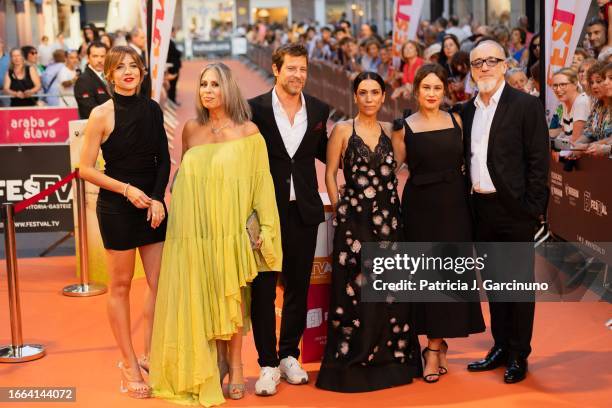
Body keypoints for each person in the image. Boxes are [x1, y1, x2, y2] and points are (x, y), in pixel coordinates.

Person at [149, 62, 282, 405]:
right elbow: (183, 178)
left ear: (228, 89)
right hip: (195, 229)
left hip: (231, 229)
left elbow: (260, 184)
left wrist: (264, 227)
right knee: (202, 297)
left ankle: (236, 367)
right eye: (204, 85)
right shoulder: (191, 129)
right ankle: (212, 364)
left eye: (215, 85)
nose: (208, 90)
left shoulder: (249, 131)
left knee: (231, 297)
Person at [316, 71, 421, 392]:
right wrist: (339, 209)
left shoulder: (394, 132)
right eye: (363, 92)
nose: (370, 98)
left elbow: (398, 169)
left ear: (384, 96)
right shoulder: (343, 131)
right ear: (355, 96)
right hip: (354, 222)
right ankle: (356, 353)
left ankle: (392, 355)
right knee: (356, 289)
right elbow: (331, 174)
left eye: (375, 92)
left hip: (389, 220)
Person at [78, 45, 170, 398]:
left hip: (153, 207)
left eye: (134, 66)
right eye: (121, 67)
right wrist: (127, 189)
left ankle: (148, 352)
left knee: (161, 284)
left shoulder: (152, 109)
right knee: (120, 287)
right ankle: (128, 362)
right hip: (117, 208)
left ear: (142, 72)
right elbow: (85, 169)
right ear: (111, 74)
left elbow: (163, 159)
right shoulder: (101, 114)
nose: (128, 71)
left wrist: (158, 198)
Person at [462, 40, 549, 384]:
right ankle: (499, 345)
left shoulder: (526, 106)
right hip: (480, 208)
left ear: (504, 64)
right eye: (477, 63)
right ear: (470, 70)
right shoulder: (466, 110)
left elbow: (539, 163)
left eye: (490, 61)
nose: (483, 67)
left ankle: (518, 353)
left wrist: (532, 210)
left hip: (515, 211)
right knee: (495, 284)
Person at [392, 64, 485, 384]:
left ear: (445, 91)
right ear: (415, 90)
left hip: (455, 206)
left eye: (437, 88)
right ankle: (433, 347)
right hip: (420, 208)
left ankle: (436, 343)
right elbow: (391, 169)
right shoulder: (403, 127)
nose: (431, 94)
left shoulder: (457, 120)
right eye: (426, 88)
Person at [247, 43, 329, 396]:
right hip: (266, 212)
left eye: (303, 69)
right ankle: (266, 363)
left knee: (298, 285)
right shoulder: (255, 110)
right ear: (276, 69)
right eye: (291, 68)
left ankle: (288, 356)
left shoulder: (320, 110)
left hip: (304, 210)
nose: (298, 75)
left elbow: (329, 153)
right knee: (263, 289)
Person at [575, 62, 612, 157]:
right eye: (591, 83)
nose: (594, 86)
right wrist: (575, 146)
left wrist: (593, 145)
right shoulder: (597, 106)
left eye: (598, 81)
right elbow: (588, 133)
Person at [549, 68, 589, 143]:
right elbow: (565, 133)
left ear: (575, 84)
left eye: (563, 85)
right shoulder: (564, 103)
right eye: (555, 85)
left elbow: (575, 141)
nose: (558, 89)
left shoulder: (581, 102)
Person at [74, 41, 110, 119]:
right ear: (88, 58)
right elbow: (90, 110)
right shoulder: (83, 81)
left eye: (102, 56)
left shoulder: (111, 76)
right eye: (95, 56)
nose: (99, 60)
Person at [166, 27, 182, 104]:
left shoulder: (171, 41)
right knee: (172, 85)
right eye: (175, 32)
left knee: (173, 85)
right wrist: (179, 53)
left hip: (174, 65)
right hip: (172, 66)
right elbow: (174, 53)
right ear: (171, 32)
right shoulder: (169, 42)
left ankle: (172, 100)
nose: (176, 33)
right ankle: (171, 100)